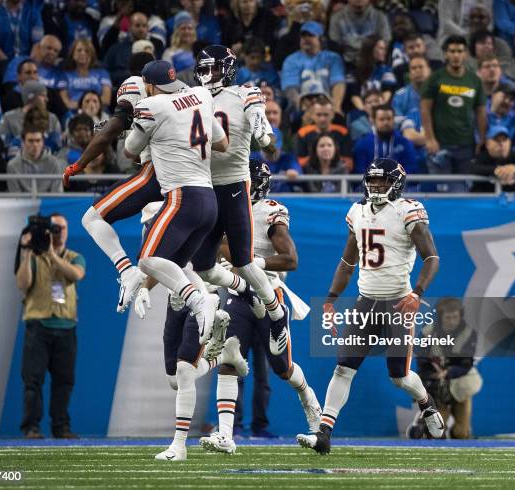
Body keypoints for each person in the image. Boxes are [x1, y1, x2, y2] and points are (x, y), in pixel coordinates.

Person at [297, 158, 444, 455]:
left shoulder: (407, 211)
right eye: (373, 180)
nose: (377, 186)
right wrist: (331, 298)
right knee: (343, 368)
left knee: (399, 377)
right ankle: (324, 433)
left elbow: (432, 258)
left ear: (397, 184)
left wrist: (417, 293)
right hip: (365, 302)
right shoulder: (357, 212)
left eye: (383, 181)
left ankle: (426, 403)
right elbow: (347, 262)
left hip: (397, 303)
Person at [123, 60, 230, 461]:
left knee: (148, 256)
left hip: (182, 195)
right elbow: (220, 143)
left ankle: (201, 299)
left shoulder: (153, 107)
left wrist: (134, 116)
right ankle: (201, 300)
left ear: (150, 86)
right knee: (169, 263)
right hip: (208, 199)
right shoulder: (201, 95)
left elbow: (131, 152)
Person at [200, 159, 321, 454]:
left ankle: (310, 402)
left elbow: (291, 259)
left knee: (282, 368)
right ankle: (226, 434)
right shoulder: (224, 207)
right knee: (228, 359)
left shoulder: (269, 211)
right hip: (237, 294)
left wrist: (251, 262)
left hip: (269, 294)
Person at [191, 45, 291, 356]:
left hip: (233, 184)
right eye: (204, 68)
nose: (209, 75)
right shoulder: (193, 97)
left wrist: (264, 134)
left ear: (230, 70)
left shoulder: (244, 92)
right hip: (203, 183)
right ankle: (247, 290)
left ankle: (277, 313)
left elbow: (260, 122)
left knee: (244, 259)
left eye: (215, 68)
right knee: (204, 267)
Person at [63, 52, 163, 312]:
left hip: (158, 172)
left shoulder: (135, 84)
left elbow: (113, 130)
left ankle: (126, 271)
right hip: (195, 177)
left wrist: (79, 164)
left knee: (91, 218)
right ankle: (193, 293)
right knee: (167, 245)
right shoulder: (187, 92)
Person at [15, 213, 85, 438]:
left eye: (61, 228)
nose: (58, 232)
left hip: (66, 326)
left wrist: (52, 254)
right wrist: (26, 253)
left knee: (64, 381)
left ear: (66, 231)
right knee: (32, 380)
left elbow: (75, 275)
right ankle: (31, 427)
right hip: (38, 325)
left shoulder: (75, 257)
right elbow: (22, 284)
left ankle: (61, 427)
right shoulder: (33, 257)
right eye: (54, 228)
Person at [409, 298, 481, 440]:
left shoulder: (469, 333)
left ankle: (463, 429)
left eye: (455, 317)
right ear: (440, 317)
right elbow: (422, 363)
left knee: (461, 434)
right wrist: (432, 377)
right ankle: (422, 422)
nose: (452, 321)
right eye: (448, 317)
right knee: (436, 432)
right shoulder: (427, 332)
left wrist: (448, 372)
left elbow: (466, 364)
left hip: (460, 384)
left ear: (460, 316)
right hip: (437, 385)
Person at [421, 35, 487, 179]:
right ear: (445, 54)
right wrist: (430, 138)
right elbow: (425, 109)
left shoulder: (475, 80)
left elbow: (481, 112)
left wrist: (482, 139)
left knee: (464, 192)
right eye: (452, 51)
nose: (456, 55)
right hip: (440, 144)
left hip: (466, 145)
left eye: (459, 51)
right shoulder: (435, 78)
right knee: (443, 192)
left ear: (466, 54)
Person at [281, 21, 346, 116]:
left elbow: (338, 83)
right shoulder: (291, 60)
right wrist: (302, 106)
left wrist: (336, 106)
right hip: (301, 107)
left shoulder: (333, 58)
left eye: (311, 36)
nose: (306, 39)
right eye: (303, 36)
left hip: (329, 105)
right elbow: (290, 88)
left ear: (321, 39)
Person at [0, 80, 62, 158]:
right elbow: (4, 146)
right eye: (43, 96)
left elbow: (58, 147)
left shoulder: (52, 118)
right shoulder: (8, 118)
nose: (46, 99)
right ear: (31, 97)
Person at [353, 104, 419, 174]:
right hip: (370, 183)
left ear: (393, 120)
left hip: (399, 183)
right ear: (373, 121)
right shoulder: (363, 144)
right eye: (382, 119)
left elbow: (411, 168)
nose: (386, 122)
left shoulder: (404, 143)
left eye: (389, 119)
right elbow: (359, 170)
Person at [471, 125, 515, 192]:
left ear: (510, 142)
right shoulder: (481, 157)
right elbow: (471, 169)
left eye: (504, 140)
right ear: (487, 144)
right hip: (485, 200)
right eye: (496, 140)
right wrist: (496, 170)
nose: (501, 143)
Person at [328, 0, 391, 66]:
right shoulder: (337, 18)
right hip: (346, 65)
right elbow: (334, 46)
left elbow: (385, 43)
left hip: (374, 64)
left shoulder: (380, 17)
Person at [296, 98, 353, 170]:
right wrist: (320, 157)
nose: (322, 119)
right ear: (312, 115)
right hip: (311, 174)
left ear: (332, 115)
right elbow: (299, 162)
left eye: (326, 115)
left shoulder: (342, 132)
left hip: (337, 174)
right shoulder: (303, 133)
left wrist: (326, 157)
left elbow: (349, 163)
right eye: (318, 115)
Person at [58, 39, 112, 111]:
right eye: (79, 50)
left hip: (98, 111)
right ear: (73, 54)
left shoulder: (103, 73)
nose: (83, 53)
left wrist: (90, 107)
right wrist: (83, 106)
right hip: (74, 112)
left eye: (87, 51)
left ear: (92, 55)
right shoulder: (64, 75)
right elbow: (65, 102)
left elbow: (106, 99)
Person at [7, 127, 64, 193]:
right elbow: (15, 196)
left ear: (43, 142)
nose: (35, 144)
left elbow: (57, 194)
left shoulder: (54, 163)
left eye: (38, 140)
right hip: (23, 202)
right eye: (30, 141)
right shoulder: (12, 165)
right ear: (23, 142)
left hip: (48, 202)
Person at [349, 35, 397, 111]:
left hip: (381, 110)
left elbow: (388, 91)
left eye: (385, 49)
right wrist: (363, 110)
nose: (384, 52)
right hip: (360, 111)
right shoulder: (354, 70)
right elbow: (354, 95)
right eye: (381, 48)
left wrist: (378, 110)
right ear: (370, 49)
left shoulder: (386, 70)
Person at [104, 12, 151, 88]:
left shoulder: (155, 47)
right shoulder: (116, 49)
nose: (141, 29)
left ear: (148, 28)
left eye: (144, 26)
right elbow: (105, 72)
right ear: (129, 27)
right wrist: (126, 75)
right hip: (122, 88)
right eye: (137, 26)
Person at [487, 83, 515, 153]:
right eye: (504, 96)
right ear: (493, 95)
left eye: (511, 99)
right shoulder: (480, 114)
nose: (507, 101)